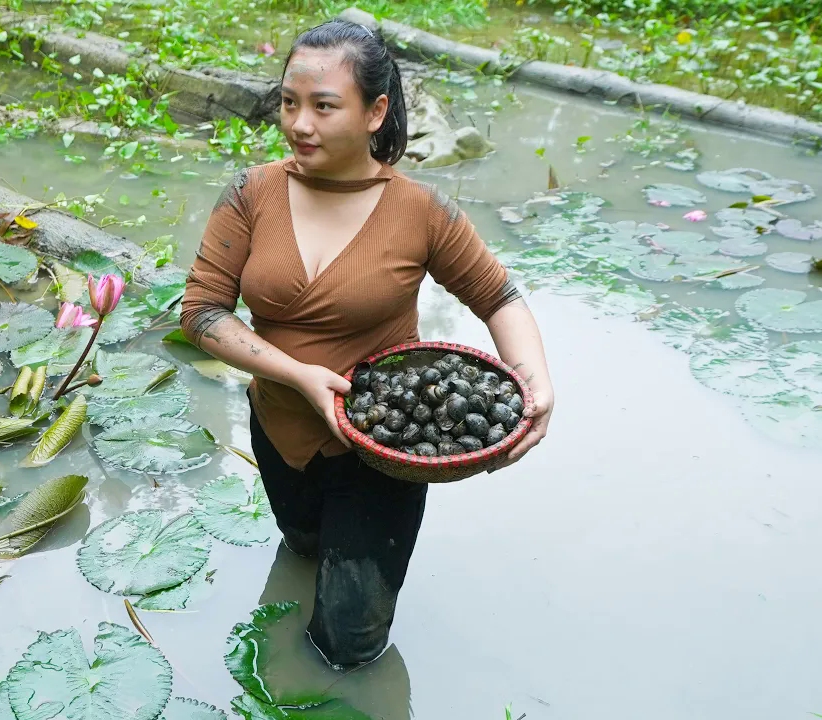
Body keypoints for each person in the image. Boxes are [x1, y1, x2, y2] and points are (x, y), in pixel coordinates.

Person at [180, 19, 554, 668]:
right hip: (280, 427)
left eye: (324, 107)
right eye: (290, 103)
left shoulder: (422, 211)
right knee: (300, 547)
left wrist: (535, 381)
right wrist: (298, 375)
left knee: (350, 641)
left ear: (376, 111)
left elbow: (500, 298)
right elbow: (202, 312)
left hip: (385, 451)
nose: (299, 124)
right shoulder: (252, 193)